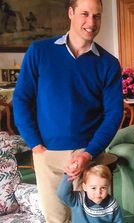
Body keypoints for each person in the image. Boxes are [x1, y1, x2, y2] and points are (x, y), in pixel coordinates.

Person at [12, 0, 123, 222]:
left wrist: (88, 153)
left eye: (97, 16)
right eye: (85, 14)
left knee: (92, 218)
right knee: (56, 219)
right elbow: (21, 100)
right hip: (47, 155)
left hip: (89, 155)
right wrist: (35, 145)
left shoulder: (109, 63)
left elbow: (113, 114)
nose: (91, 22)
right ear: (71, 13)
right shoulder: (39, 52)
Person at [57, 164, 123, 223]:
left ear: (108, 186)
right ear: (84, 187)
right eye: (93, 188)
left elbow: (118, 221)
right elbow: (62, 193)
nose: (98, 192)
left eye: (103, 188)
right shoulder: (78, 200)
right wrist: (69, 175)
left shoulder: (112, 205)